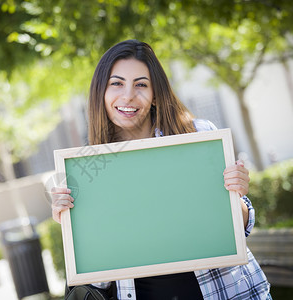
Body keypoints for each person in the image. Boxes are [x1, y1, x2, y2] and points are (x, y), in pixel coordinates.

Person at [51, 39, 271, 300]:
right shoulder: (88, 167)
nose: (128, 95)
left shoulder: (197, 136)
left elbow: (241, 227)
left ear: (156, 94)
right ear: (101, 92)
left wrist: (237, 195)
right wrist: (74, 228)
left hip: (219, 291)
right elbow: (98, 275)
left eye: (141, 85)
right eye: (117, 83)